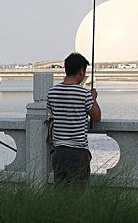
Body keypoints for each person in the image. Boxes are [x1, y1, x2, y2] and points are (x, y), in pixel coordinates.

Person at [47, 53, 101, 185]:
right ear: (81, 71)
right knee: (78, 193)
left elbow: (52, 112)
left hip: (58, 151)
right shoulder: (83, 93)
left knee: (61, 191)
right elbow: (97, 117)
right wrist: (93, 98)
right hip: (78, 152)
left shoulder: (52, 92)